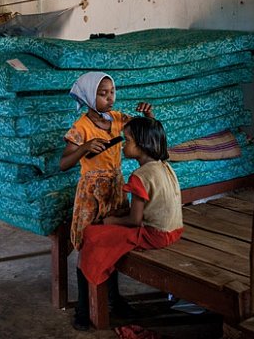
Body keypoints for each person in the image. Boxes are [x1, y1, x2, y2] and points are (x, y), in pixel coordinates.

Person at [59, 72, 153, 331]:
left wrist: (149, 116)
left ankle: (114, 298)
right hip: (91, 194)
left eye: (112, 92)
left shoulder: (120, 119)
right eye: (103, 94)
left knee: (111, 244)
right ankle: (82, 308)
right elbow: (64, 163)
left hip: (114, 189)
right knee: (88, 246)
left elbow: (146, 133)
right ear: (90, 96)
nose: (110, 97)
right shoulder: (81, 128)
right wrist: (83, 148)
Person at [74, 117, 184, 330]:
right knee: (107, 232)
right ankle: (113, 299)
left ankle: (83, 309)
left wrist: (111, 220)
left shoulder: (140, 176)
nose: (124, 145)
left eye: (128, 140)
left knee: (91, 236)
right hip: (175, 230)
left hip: (154, 235)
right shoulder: (163, 167)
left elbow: (134, 221)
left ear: (142, 145)